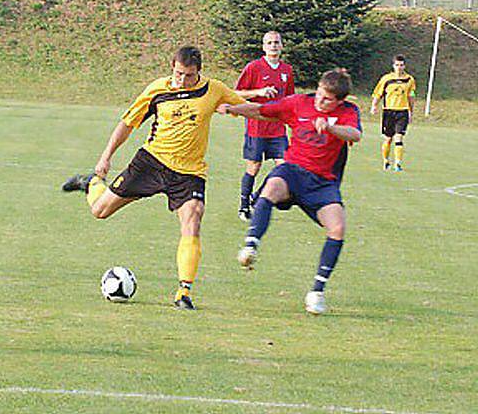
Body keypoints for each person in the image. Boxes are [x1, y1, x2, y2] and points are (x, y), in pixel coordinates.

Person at [61, 47, 246, 310]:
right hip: (151, 163)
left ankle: (184, 291)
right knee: (99, 210)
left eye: (189, 75)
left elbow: (245, 106)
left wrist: (284, 113)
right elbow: (127, 123)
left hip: (189, 173)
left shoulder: (213, 89)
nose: (182, 80)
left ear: (199, 72)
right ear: (172, 67)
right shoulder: (157, 90)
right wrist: (105, 157)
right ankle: (91, 183)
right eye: (179, 73)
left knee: (193, 218)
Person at [219, 69, 362, 315]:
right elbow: (263, 111)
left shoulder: (348, 112)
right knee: (271, 188)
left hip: (322, 183)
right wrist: (233, 108)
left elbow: (355, 134)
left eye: (327, 99)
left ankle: (316, 292)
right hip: (293, 172)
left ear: (339, 101)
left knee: (337, 228)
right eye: (318, 93)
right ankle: (251, 246)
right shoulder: (299, 103)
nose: (319, 100)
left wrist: (329, 127)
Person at [234, 30, 295, 222]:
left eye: (276, 42)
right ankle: (243, 206)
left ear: (282, 46)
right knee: (254, 166)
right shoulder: (254, 67)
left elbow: (290, 98)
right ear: (263, 47)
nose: (273, 46)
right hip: (257, 126)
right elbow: (237, 93)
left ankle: (257, 197)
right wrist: (260, 91)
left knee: (285, 167)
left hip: (277, 128)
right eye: (269, 43)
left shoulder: (287, 70)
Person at [370, 55, 416, 172]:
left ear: (404, 66)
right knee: (388, 139)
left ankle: (398, 163)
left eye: (401, 65)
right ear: (393, 66)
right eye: (397, 65)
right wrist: (374, 106)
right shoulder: (386, 79)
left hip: (402, 111)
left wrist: (411, 111)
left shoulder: (409, 80)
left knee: (399, 137)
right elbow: (378, 93)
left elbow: (411, 96)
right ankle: (386, 160)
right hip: (388, 111)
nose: (399, 67)